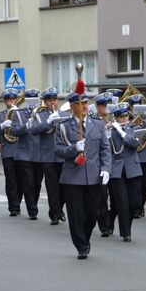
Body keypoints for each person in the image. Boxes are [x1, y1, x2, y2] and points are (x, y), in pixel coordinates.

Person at [55, 92, 111, 259]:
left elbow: (105, 149)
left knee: (93, 213)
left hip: (94, 176)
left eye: (86, 103)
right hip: (72, 177)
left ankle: (85, 238)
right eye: (81, 103)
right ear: (72, 107)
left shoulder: (98, 124)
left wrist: (107, 168)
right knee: (75, 214)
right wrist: (74, 148)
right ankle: (81, 245)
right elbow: (57, 151)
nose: (85, 106)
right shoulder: (63, 126)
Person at [30, 87, 66, 225]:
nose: (53, 102)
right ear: (45, 102)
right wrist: (48, 121)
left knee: (63, 186)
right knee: (52, 187)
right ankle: (54, 214)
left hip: (62, 155)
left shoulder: (64, 114)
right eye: (50, 100)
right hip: (48, 156)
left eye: (55, 99)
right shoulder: (39, 115)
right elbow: (33, 130)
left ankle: (59, 208)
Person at [109, 102, 144, 242]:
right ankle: (126, 232)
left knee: (134, 202)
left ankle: (114, 221)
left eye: (125, 116)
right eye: (121, 117)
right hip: (117, 169)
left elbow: (135, 144)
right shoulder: (110, 131)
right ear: (116, 118)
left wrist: (122, 132)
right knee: (122, 202)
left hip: (133, 169)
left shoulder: (135, 128)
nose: (124, 119)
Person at [11, 89, 43, 220]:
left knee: (37, 184)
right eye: (30, 100)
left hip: (39, 154)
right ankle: (32, 210)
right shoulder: (18, 114)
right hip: (24, 154)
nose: (33, 103)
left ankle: (33, 203)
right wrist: (26, 126)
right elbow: (14, 131)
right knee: (28, 184)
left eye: (35, 100)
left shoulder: (41, 113)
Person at [0, 88, 23, 217]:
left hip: (21, 150)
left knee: (21, 180)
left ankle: (18, 202)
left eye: (14, 99)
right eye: (9, 100)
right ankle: (13, 207)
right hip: (8, 151)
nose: (12, 102)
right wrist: (2, 126)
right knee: (11, 181)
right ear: (5, 102)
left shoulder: (22, 114)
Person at [92, 92, 117, 237]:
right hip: (101, 163)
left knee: (115, 197)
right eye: (102, 106)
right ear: (97, 106)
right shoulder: (94, 121)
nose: (105, 108)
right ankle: (104, 225)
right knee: (101, 197)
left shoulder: (115, 118)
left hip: (116, 163)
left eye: (107, 105)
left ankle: (110, 220)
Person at [128, 94, 146, 219]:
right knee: (136, 184)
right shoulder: (127, 118)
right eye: (134, 105)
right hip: (133, 154)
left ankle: (141, 205)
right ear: (131, 107)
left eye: (139, 105)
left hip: (145, 154)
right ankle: (136, 207)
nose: (137, 108)